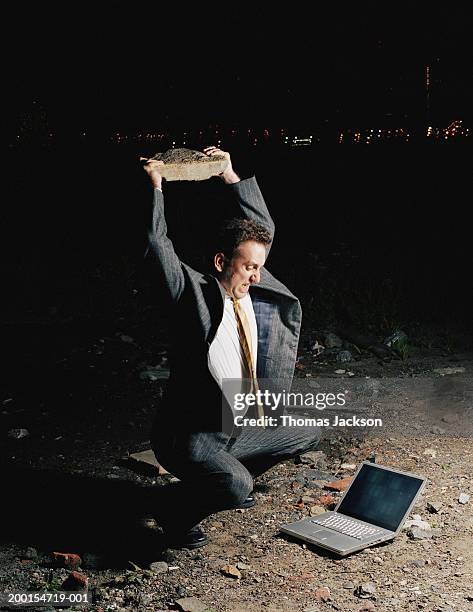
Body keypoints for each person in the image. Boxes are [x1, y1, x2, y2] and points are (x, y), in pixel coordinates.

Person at [142, 147, 321, 549]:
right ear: (222, 261)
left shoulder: (253, 289)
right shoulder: (194, 295)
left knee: (308, 429)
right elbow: (158, 244)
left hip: (235, 425)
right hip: (190, 437)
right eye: (248, 267)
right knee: (233, 484)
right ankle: (175, 514)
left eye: (260, 266)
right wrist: (156, 187)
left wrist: (229, 174)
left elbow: (263, 227)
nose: (257, 276)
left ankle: (228, 480)